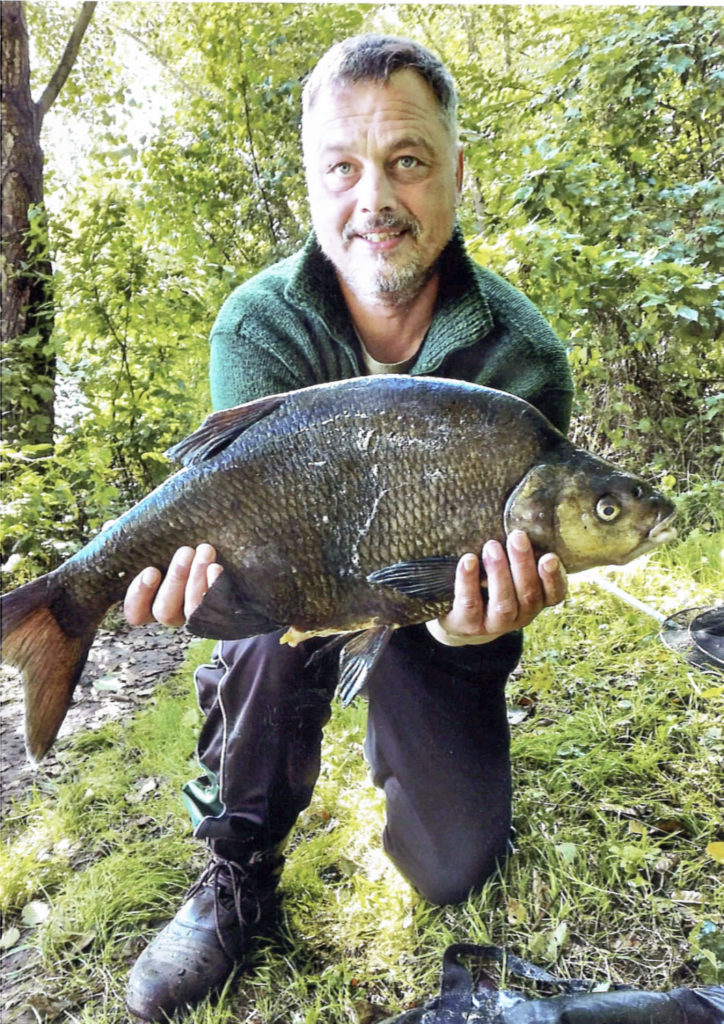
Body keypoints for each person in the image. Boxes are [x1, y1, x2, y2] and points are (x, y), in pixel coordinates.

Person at [123, 35, 573, 1022]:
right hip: (295, 579)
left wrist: (467, 625)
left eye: (406, 161)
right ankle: (235, 870)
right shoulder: (258, 324)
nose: (373, 196)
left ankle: (409, 750)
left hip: (432, 610)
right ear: (311, 184)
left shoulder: (523, 352)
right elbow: (232, 511)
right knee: (254, 625)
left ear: (456, 172)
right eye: (342, 167)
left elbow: (499, 579)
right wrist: (192, 586)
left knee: (453, 866)